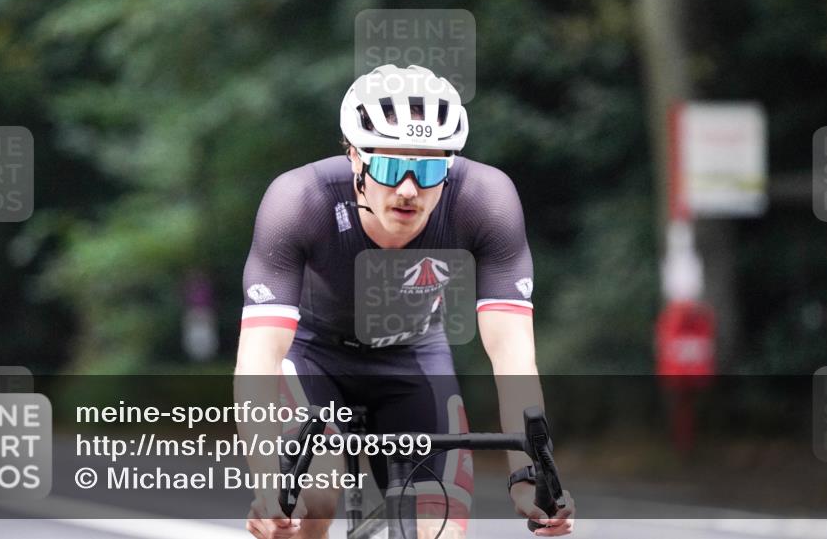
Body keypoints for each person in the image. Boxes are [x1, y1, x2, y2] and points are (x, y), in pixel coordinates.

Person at [235, 64, 574, 539]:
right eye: (391, 166)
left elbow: (513, 356)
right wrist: (268, 482)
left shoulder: (485, 200)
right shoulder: (299, 200)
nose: (409, 190)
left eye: (430, 168)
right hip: (313, 355)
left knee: (439, 527)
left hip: (413, 355)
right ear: (355, 158)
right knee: (311, 499)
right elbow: (258, 357)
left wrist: (529, 477)